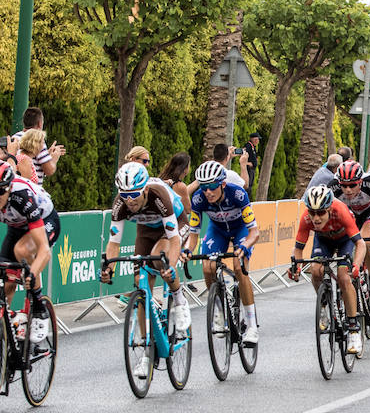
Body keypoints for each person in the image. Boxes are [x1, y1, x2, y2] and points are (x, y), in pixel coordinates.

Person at [101, 162, 191, 377]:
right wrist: (108, 268)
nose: (129, 200)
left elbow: (174, 241)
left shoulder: (158, 195)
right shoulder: (120, 204)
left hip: (174, 226)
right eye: (124, 195)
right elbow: (114, 243)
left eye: (134, 194)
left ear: (145, 190)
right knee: (140, 287)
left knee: (160, 259)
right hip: (146, 230)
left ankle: (179, 299)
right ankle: (147, 354)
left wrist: (169, 265)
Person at [182, 162, 260, 345]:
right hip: (218, 231)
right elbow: (193, 235)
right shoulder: (198, 199)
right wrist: (187, 250)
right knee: (208, 266)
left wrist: (245, 246)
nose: (207, 192)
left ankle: (251, 326)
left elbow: (254, 232)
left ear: (222, 184)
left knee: (239, 268)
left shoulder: (238, 195)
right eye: (203, 187)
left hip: (241, 230)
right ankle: (218, 309)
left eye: (211, 186)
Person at [289, 185, 366, 356]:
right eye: (312, 212)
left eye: (321, 212)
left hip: (345, 240)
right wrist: (296, 266)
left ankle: (353, 329)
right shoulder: (306, 219)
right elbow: (298, 248)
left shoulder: (341, 211)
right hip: (323, 240)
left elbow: (360, 244)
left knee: (343, 277)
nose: (316, 218)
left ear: (330, 209)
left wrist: (357, 265)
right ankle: (324, 306)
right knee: (316, 270)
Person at [0, 158, 59, 343]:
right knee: (4, 283)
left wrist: (32, 273)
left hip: (45, 221)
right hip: (16, 226)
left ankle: (38, 308)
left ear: (8, 188)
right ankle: (6, 346)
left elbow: (45, 251)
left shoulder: (21, 196)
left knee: (22, 250)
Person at [327, 160, 370, 314]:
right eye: (344, 185)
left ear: (360, 182)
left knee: (367, 240)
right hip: (348, 216)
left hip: (369, 213)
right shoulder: (333, 187)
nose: (348, 190)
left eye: (353, 185)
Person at [11, 107, 65, 183]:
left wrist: (47, 154)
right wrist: (54, 158)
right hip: (31, 188)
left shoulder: (14, 137)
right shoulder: (37, 140)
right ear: (40, 123)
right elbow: (49, 170)